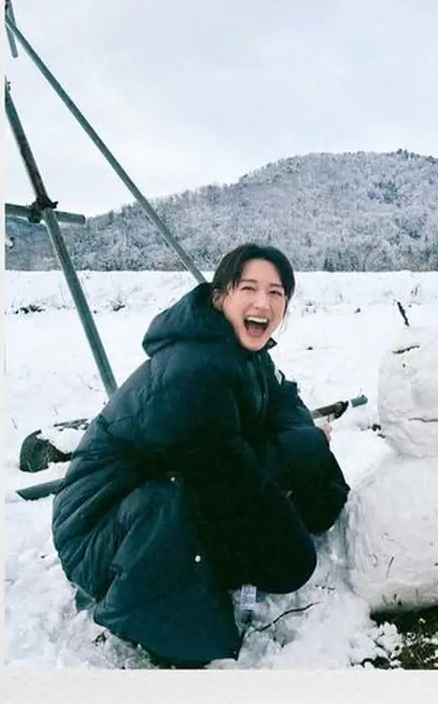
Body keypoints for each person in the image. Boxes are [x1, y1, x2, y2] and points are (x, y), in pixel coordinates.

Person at [52, 244, 350, 668]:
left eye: (276, 293)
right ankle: (145, 604)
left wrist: (304, 445)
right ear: (219, 297)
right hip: (100, 529)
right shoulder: (191, 368)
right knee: (276, 536)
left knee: (303, 472)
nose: (263, 303)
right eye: (249, 288)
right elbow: (229, 476)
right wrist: (304, 449)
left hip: (164, 493)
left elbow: (286, 403)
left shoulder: (244, 354)